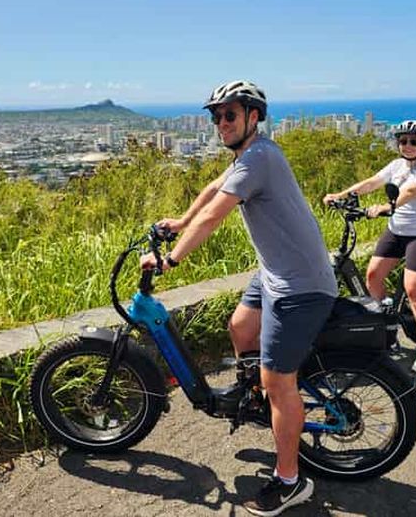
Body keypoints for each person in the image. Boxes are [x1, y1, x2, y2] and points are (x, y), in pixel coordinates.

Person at [140, 80, 337, 516]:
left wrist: (170, 260)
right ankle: (256, 401)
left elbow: (216, 214)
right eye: (216, 116)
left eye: (229, 114)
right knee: (240, 327)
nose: (221, 123)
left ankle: (290, 481)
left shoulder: (260, 157)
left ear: (253, 116)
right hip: (275, 274)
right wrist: (180, 221)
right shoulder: (248, 156)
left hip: (300, 286)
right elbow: (214, 190)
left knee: (278, 382)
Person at [322, 119, 416, 374]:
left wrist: (387, 206)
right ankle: (386, 325)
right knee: (373, 276)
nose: (408, 145)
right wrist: (341, 195)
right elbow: (372, 182)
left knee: (413, 289)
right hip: (397, 231)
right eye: (403, 141)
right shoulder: (397, 165)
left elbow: (411, 191)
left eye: (414, 141)